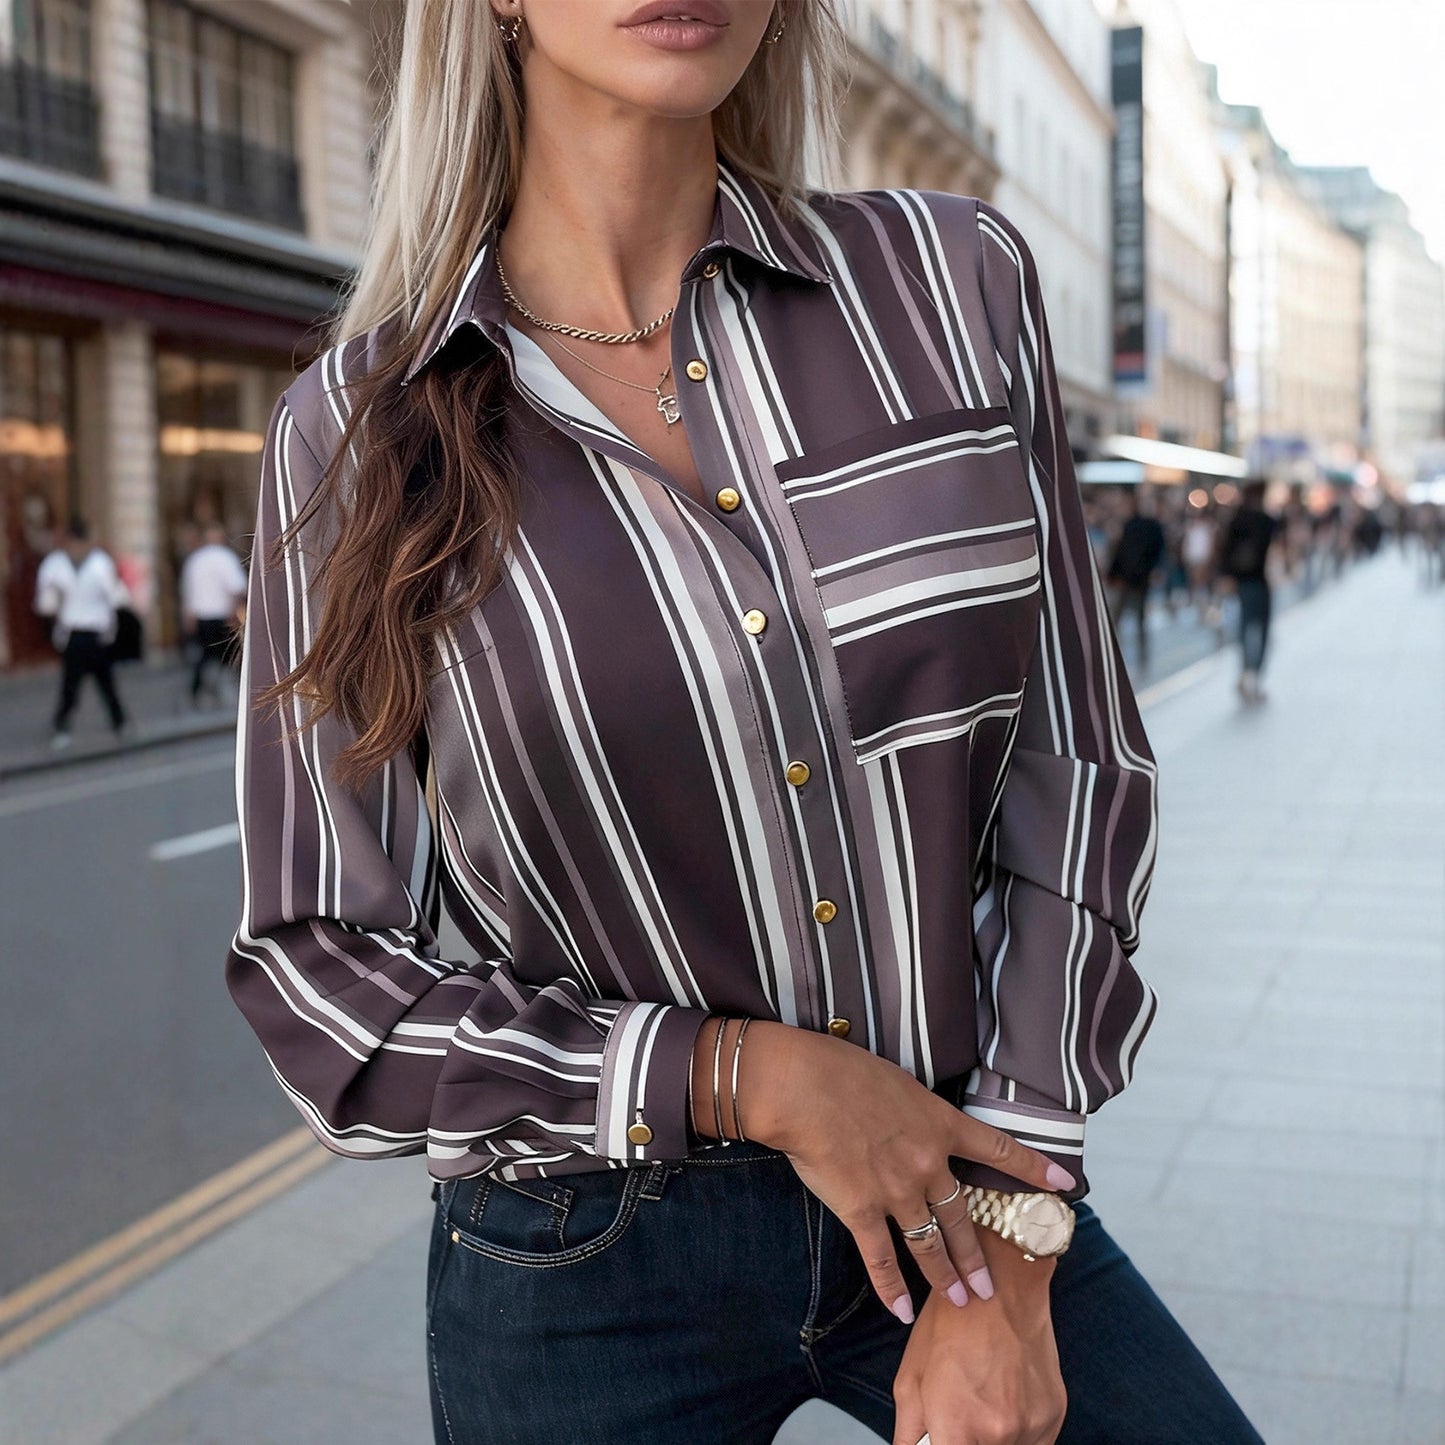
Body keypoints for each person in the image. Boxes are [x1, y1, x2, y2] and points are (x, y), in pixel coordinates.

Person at [227, 5, 1261, 1443]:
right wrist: (745, 1074)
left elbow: (1072, 763)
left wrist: (1016, 1238)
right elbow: (316, 971)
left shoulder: (949, 285)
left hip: (962, 1178)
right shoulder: (357, 429)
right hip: (582, 1249)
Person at [33, 517, 129, 748]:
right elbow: (44, 604)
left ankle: (119, 721)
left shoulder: (100, 563)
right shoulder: (55, 564)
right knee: (70, 683)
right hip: (72, 632)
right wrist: (55, 596)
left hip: (97, 631)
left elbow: (117, 597)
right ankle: (62, 725)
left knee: (105, 681)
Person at [1219, 480, 1278, 703]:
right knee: (1261, 630)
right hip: (1260, 582)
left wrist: (1227, 576)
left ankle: (1245, 671)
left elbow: (1226, 551)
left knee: (1245, 627)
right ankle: (1253, 674)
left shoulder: (1237, 520)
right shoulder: (1266, 521)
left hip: (1242, 583)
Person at [179, 523, 247, 706]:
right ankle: (238, 690)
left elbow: (188, 591)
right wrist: (236, 611)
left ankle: (197, 691)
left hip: (201, 616)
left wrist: (189, 617)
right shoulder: (226, 557)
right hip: (222, 615)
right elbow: (237, 587)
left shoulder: (194, 560)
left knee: (205, 654)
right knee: (231, 654)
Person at [1106, 487, 1165, 667]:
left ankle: (1118, 655)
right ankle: (1126, 655)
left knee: (1125, 618)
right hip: (1134, 577)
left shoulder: (1138, 526)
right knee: (1128, 618)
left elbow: (1122, 552)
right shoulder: (1140, 526)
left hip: (1133, 577)